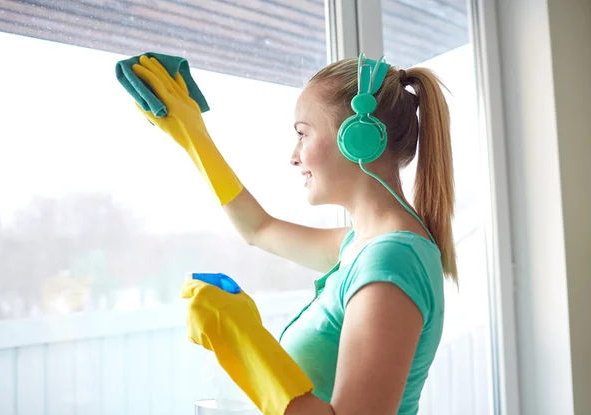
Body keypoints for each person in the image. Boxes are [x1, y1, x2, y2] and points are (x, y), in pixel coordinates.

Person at [130, 52, 456, 415]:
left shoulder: (391, 260)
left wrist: (240, 339)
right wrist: (193, 135)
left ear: (359, 138)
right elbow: (258, 228)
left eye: (303, 134)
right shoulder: (361, 247)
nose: (294, 156)